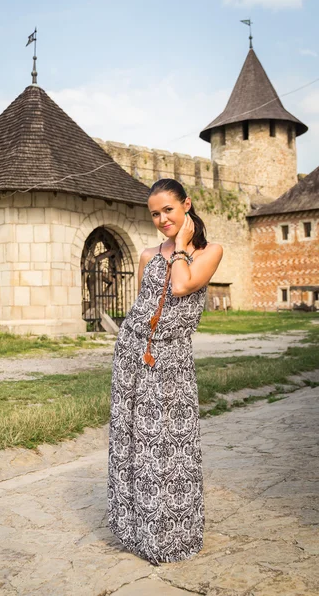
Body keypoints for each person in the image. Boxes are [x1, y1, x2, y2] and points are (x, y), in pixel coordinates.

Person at [107, 178, 223, 565]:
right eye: (155, 213)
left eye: (168, 210)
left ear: (186, 205)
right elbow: (143, 307)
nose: (161, 219)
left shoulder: (210, 251)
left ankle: (171, 537)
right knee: (132, 442)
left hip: (171, 360)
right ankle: (135, 530)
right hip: (132, 354)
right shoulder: (145, 254)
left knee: (170, 447)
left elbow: (182, 286)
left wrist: (182, 249)